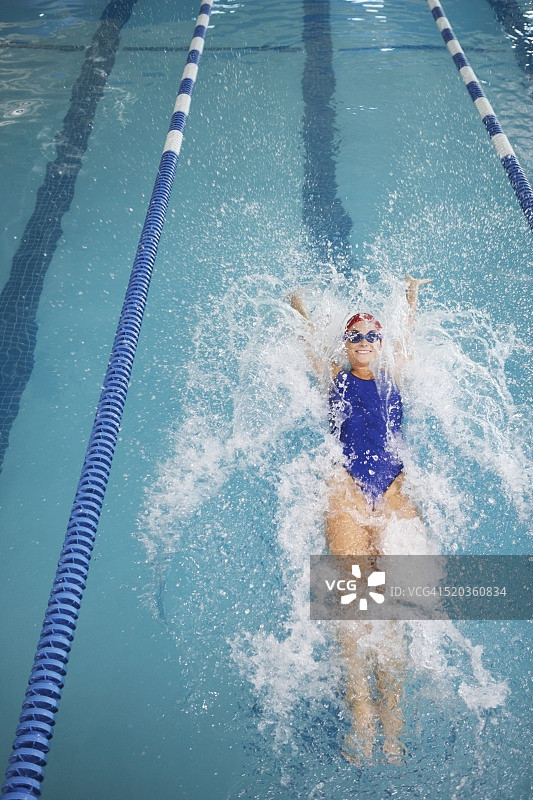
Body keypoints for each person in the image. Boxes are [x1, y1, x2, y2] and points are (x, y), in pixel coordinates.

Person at [289, 274, 433, 764]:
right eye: (356, 336)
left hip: (393, 492)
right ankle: (361, 715)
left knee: (393, 606)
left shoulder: (397, 375)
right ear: (346, 345)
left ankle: (392, 721)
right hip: (346, 491)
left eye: (374, 335)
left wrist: (411, 300)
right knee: (353, 607)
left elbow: (408, 339)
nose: (366, 342)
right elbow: (309, 344)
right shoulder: (334, 377)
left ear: (381, 343)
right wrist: (299, 309)